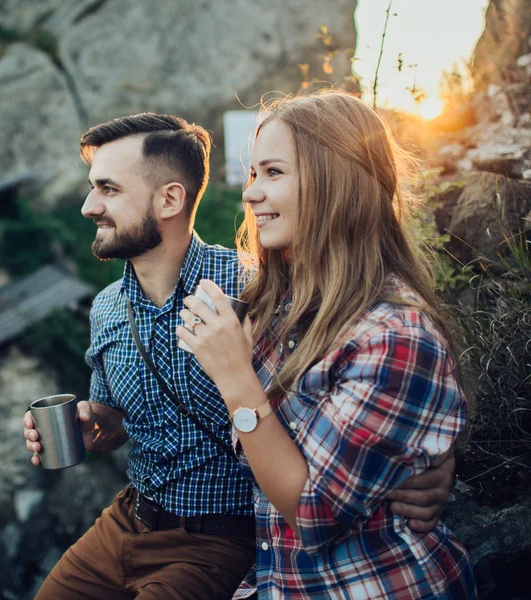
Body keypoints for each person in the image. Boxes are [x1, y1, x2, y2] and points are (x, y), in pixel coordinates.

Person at [23, 112, 458, 599]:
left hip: (225, 538)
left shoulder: (257, 288)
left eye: (107, 188)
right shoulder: (106, 308)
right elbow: (116, 419)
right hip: (131, 517)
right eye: (255, 174)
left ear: (170, 199)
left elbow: (384, 376)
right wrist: (94, 426)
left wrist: (427, 463)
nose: (88, 206)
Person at [177, 91, 476, 599]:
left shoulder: (394, 337)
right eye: (253, 174)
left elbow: (314, 513)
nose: (250, 195)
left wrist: (235, 377)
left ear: (334, 182)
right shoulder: (282, 301)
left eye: (273, 173)